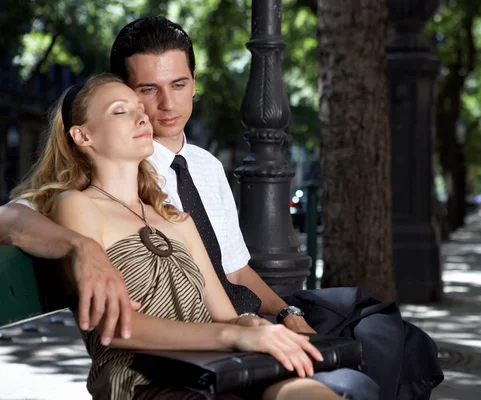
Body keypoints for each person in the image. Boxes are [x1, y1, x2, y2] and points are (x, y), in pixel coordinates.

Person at [1, 15, 442, 399]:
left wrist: (276, 318)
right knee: (351, 375)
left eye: (178, 85)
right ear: (84, 135)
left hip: (226, 342)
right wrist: (79, 246)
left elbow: (231, 277)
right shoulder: (78, 199)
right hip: (163, 368)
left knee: (380, 333)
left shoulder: (194, 182)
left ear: (195, 83)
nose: (159, 108)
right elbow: (12, 216)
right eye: (141, 95)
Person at [10, 73, 373, 400]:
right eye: (121, 112)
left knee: (314, 392)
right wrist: (233, 336)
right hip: (143, 380)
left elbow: (226, 317)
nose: (143, 117)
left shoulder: (175, 218)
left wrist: (250, 326)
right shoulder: (76, 205)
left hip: (216, 368)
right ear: (82, 135)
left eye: (140, 109)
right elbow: (116, 330)